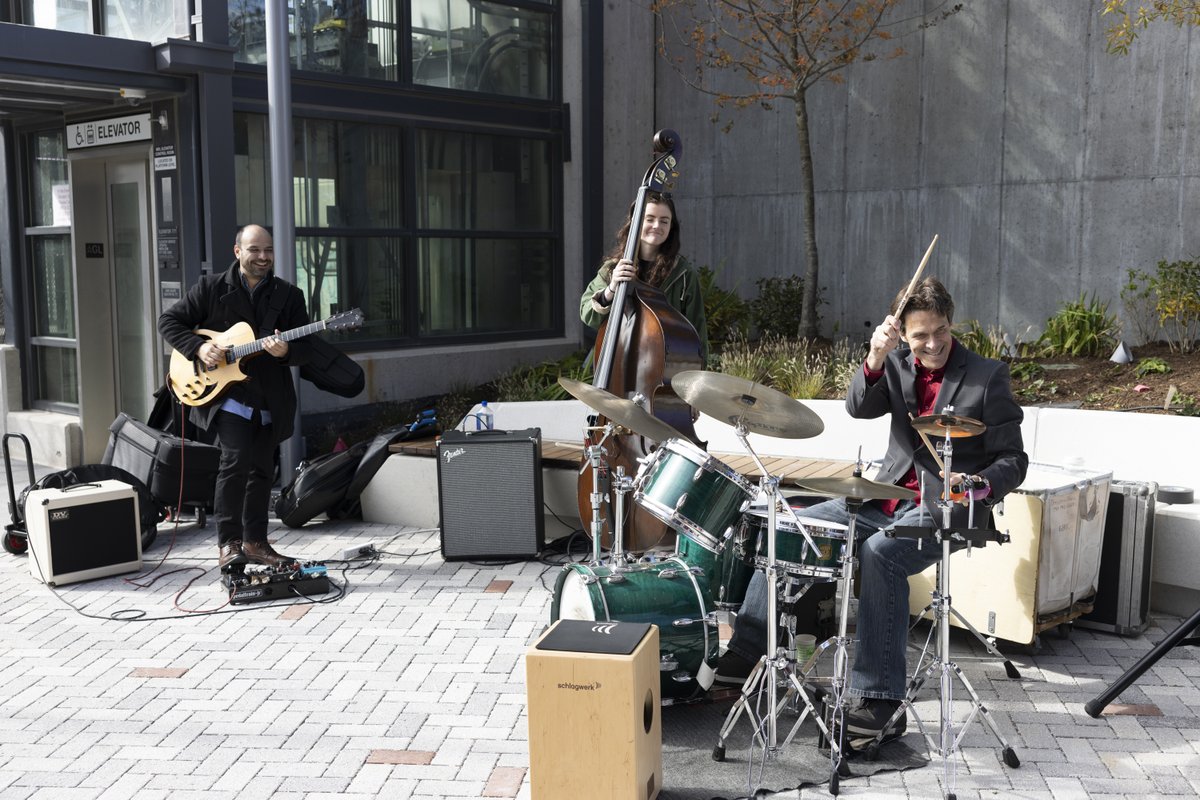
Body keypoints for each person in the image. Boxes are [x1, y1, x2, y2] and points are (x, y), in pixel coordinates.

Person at [714, 277, 1028, 742]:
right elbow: (858, 407)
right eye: (920, 335)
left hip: (949, 504)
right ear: (902, 332)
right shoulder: (897, 364)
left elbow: (1014, 460)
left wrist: (978, 484)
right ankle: (745, 654)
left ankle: (878, 699)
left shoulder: (986, 375)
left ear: (950, 322)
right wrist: (876, 357)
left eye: (940, 330)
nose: (934, 343)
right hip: (883, 495)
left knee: (881, 553)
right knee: (790, 523)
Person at [159, 224, 313, 569]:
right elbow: (168, 322)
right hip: (226, 395)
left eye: (268, 251)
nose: (263, 257)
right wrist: (198, 347)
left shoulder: (289, 296)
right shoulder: (211, 288)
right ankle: (229, 543)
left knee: (262, 470)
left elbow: (307, 351)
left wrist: (285, 351)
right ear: (237, 251)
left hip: (270, 398)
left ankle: (256, 542)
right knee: (235, 461)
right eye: (255, 250)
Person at [579, 190, 708, 365]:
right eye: (650, 219)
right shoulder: (613, 269)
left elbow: (697, 331)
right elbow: (588, 316)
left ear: (671, 227)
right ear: (636, 222)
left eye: (664, 221)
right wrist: (611, 290)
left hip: (662, 367)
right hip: (615, 364)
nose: (657, 225)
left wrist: (696, 378)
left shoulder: (683, 274)